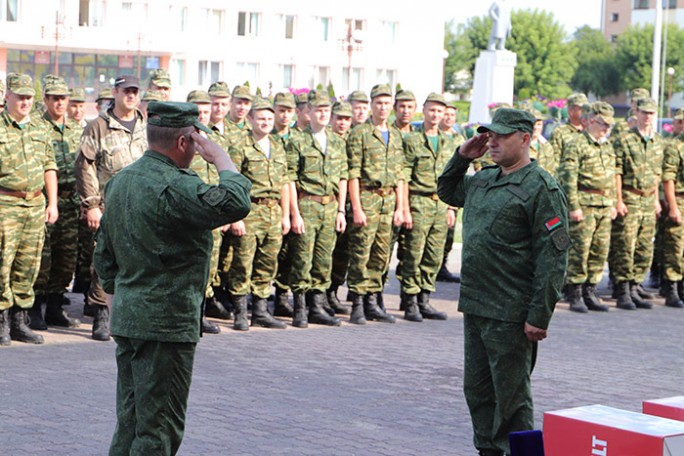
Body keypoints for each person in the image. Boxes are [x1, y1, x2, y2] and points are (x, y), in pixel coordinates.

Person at [94, 101, 252, 455]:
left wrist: (122, 299)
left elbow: (103, 254)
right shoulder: (176, 187)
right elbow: (235, 202)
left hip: (131, 319)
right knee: (158, 429)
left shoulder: (120, 182)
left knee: (131, 423)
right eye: (196, 142)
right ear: (185, 142)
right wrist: (222, 161)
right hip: (166, 324)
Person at [437, 108, 569, 456]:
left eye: (501, 135)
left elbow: (553, 259)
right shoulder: (484, 179)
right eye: (489, 134)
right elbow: (447, 191)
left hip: (511, 311)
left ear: (525, 139)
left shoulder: (541, 187)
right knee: (479, 392)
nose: (492, 141)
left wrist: (539, 315)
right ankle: (488, 451)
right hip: (477, 305)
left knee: (511, 400)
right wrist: (462, 157)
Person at [74, 75, 148, 341]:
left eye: (135, 91)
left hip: (139, 207)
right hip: (108, 206)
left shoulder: (144, 126)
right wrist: (92, 204)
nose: (131, 96)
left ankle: (130, 314)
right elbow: (84, 166)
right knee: (104, 260)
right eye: (126, 91)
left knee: (138, 260)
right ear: (115, 92)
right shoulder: (98, 127)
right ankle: (101, 313)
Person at [0, 73, 59, 346]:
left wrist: (53, 203)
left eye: (28, 97)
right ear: (7, 96)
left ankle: (19, 322)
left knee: (28, 265)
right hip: (5, 204)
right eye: (20, 96)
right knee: (3, 264)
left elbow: (50, 166)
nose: (25, 101)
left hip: (35, 204)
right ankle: (1, 320)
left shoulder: (40, 127)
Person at [226, 98, 291, 331]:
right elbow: (231, 182)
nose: (265, 123)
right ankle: (240, 312)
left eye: (269, 119)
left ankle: (261, 311)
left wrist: (286, 216)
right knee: (242, 263)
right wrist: (236, 217)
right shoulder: (241, 145)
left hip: (273, 211)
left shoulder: (277, 145)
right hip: (249, 210)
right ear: (251, 119)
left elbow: (284, 182)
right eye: (261, 118)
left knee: (268, 262)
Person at [286, 90, 347, 327]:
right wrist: (294, 213)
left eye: (326, 110)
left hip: (330, 206)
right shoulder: (298, 140)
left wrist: (341, 210)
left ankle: (317, 305)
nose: (323, 114)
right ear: (308, 112)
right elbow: (289, 178)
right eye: (318, 110)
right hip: (307, 204)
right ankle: (300, 306)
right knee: (302, 257)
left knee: (324, 258)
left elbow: (343, 176)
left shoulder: (336, 141)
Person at [346, 84, 405, 324]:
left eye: (386, 103)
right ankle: (358, 303)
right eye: (378, 103)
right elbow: (353, 173)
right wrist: (357, 208)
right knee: (361, 251)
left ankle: (373, 299)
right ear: (371, 105)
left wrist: (401, 207)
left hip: (389, 200)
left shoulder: (396, 134)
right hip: (367, 197)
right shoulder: (360, 133)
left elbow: (401, 174)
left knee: (381, 254)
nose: (383, 108)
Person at [30, 76, 83, 330]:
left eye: (63, 97)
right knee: (43, 257)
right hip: (45, 200)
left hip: (71, 201)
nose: (60, 102)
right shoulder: (38, 127)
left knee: (66, 258)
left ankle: (54, 307)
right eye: (54, 98)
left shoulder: (76, 129)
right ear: (46, 100)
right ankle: (35, 309)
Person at [400, 93, 456, 322]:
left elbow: (453, 176)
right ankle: (410, 300)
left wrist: (451, 207)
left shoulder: (449, 142)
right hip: (419, 201)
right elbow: (403, 175)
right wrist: (404, 207)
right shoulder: (413, 140)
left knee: (433, 254)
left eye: (440, 111)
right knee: (414, 253)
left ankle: (425, 298)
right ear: (423, 111)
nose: (435, 115)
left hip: (441, 204)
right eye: (432, 110)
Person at [557, 102, 617, 313]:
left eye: (610, 125)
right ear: (592, 120)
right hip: (584, 203)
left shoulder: (607, 145)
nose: (607, 129)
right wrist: (573, 206)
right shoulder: (576, 144)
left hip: (603, 204)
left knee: (599, 250)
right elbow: (568, 178)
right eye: (603, 124)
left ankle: (590, 290)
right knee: (579, 250)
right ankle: (574, 291)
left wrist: (613, 202)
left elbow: (611, 178)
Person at [609, 98, 664, 310]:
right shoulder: (624, 140)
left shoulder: (658, 141)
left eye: (651, 113)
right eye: (644, 112)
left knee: (643, 247)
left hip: (649, 199)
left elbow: (658, 172)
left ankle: (635, 285)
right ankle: (623, 289)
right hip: (630, 197)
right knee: (625, 245)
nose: (647, 116)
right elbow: (617, 172)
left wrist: (657, 200)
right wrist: (619, 200)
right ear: (636, 112)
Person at [186, 89, 228, 333]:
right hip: (192, 214)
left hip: (213, 216)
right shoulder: (183, 141)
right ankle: (188, 316)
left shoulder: (216, 140)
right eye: (198, 111)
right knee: (190, 266)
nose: (202, 115)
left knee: (209, 267)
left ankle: (199, 314)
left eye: (205, 111)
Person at [436, 101, 466, 284]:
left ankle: (442, 266)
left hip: (451, 194)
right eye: (446, 114)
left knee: (448, 233)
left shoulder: (458, 138)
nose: (448, 118)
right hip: (433, 192)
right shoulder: (434, 136)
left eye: (452, 115)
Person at [660, 115, 684, 308]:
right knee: (675, 248)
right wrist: (673, 206)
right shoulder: (675, 146)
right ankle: (671, 288)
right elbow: (668, 178)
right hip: (680, 199)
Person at [549, 93, 588, 176]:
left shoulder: (590, 131)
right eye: (582, 109)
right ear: (571, 111)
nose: (586, 112)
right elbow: (554, 161)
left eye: (587, 109)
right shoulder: (560, 132)